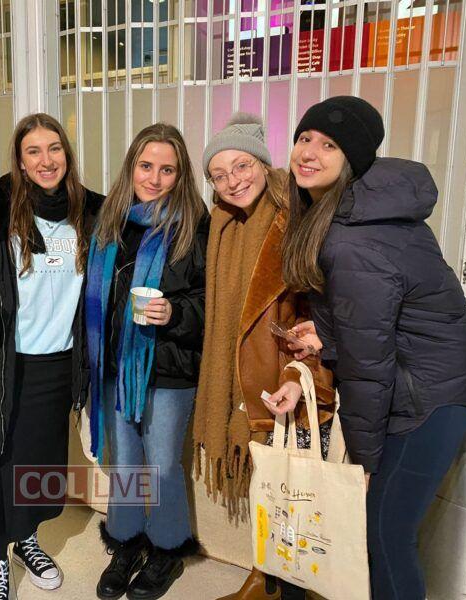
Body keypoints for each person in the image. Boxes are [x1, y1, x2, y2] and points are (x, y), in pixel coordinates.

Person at [280, 96, 466, 600]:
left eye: (328, 146)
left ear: (352, 160)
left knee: (385, 534)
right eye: (305, 138)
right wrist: (327, 335)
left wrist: (366, 461)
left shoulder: (354, 240)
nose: (309, 152)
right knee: (383, 531)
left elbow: (368, 364)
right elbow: (381, 322)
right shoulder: (353, 213)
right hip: (421, 377)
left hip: (429, 395)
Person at [0, 113, 103, 600]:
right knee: (1, 466)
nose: (45, 160)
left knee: (41, 466)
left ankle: (27, 541)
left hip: (60, 365)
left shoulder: (91, 213)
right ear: (19, 159)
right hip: (5, 364)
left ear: (67, 154)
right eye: (33, 151)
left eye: (54, 149)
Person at [192, 114, 335, 600]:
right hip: (246, 375)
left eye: (242, 166)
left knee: (295, 486)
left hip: (291, 372)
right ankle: (267, 576)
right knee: (269, 485)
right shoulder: (222, 224)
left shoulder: (296, 215)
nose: (233, 181)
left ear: (262, 162)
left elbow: (320, 305)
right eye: (219, 174)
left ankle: (286, 583)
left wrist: (304, 371)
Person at [86, 123, 208, 600]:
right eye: (146, 166)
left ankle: (167, 550)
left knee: (160, 467)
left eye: (167, 170)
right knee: (125, 465)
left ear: (181, 175)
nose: (154, 179)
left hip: (169, 369)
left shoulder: (195, 226)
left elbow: (213, 302)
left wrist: (174, 312)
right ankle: (127, 543)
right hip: (116, 367)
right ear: (131, 167)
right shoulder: (110, 222)